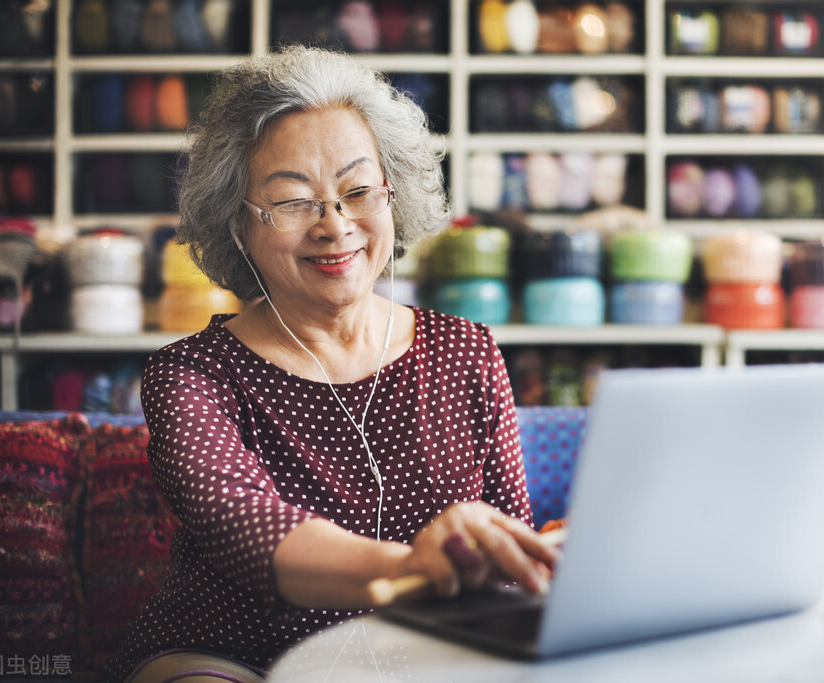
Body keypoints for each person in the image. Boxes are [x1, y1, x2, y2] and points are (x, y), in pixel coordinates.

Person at [109, 45, 557, 683]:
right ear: (238, 224)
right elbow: (248, 531)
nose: (334, 223)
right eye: (294, 201)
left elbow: (509, 556)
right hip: (236, 655)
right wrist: (411, 565)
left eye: (357, 190)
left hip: (422, 654)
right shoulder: (193, 374)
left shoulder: (468, 351)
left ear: (391, 195)